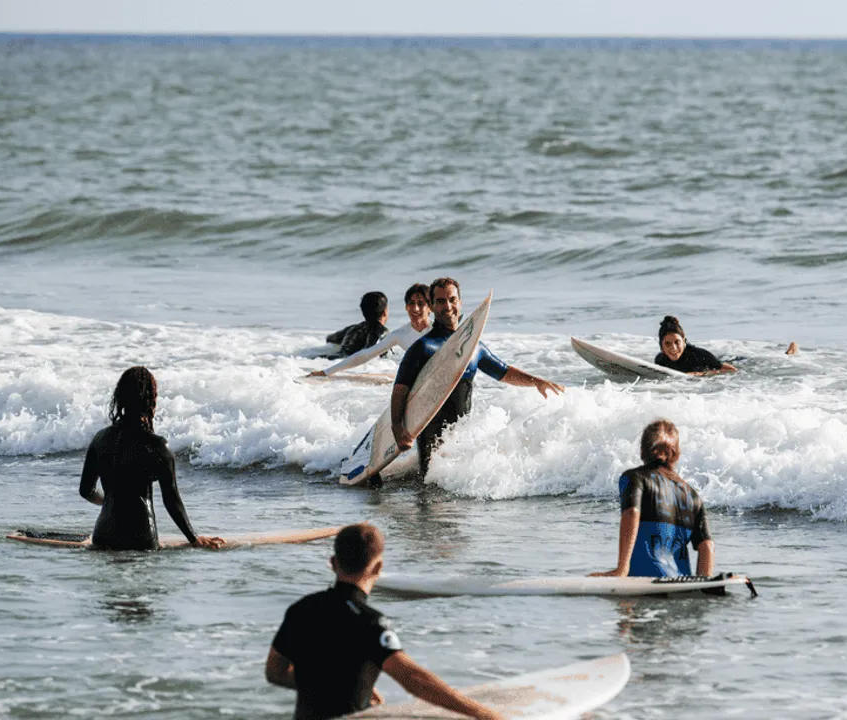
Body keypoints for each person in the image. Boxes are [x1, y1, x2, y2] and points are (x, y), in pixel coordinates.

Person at [266, 523, 501, 720]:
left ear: (333, 563)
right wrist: (483, 714)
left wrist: (340, 682)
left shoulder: (300, 610)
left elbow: (275, 672)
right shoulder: (370, 622)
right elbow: (413, 679)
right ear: (378, 567)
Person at [391, 277, 564, 478]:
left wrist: (537, 382)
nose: (447, 306)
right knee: (430, 492)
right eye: (440, 301)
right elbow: (400, 388)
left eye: (452, 299)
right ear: (432, 306)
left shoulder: (473, 348)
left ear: (460, 302)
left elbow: (503, 372)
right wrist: (397, 427)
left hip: (460, 437)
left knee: (457, 494)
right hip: (431, 440)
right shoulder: (423, 348)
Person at [79, 367, 224, 550]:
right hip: (141, 540)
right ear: (151, 399)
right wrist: (194, 538)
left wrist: (109, 500)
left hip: (103, 537)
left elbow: (86, 491)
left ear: (120, 396)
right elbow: (171, 500)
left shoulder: (100, 439)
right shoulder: (157, 446)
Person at [591, 419, 714, 577]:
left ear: (642, 451)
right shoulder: (692, 495)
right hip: (680, 583)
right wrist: (704, 584)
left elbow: (632, 513)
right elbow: (707, 546)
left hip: (643, 581)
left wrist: (622, 569)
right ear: (676, 454)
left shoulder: (635, 478)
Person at [308, 284, 431, 378]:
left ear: (430, 307)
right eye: (411, 303)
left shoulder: (441, 329)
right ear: (406, 307)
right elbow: (365, 355)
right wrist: (326, 372)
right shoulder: (398, 335)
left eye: (421, 303)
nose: (415, 308)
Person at [653, 316, 738, 375]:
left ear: (683, 340)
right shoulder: (660, 360)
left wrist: (702, 374)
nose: (673, 348)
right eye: (667, 343)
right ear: (661, 346)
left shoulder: (699, 355)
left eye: (677, 342)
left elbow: (731, 370)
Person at [323, 292, 390, 360]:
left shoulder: (352, 329)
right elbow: (368, 354)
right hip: (351, 365)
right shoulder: (382, 332)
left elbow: (329, 339)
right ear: (385, 312)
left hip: (332, 358)